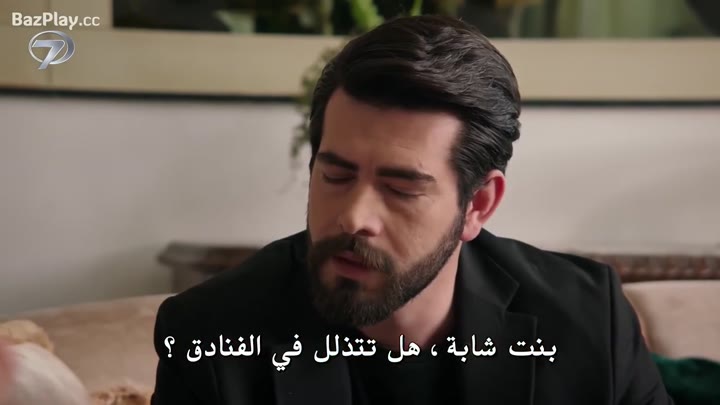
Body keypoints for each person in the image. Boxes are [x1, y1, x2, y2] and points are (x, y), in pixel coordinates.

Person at [151, 15, 673, 404]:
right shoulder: (212, 334)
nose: (354, 217)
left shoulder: (586, 321)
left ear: (478, 205)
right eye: (336, 175)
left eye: (401, 189)